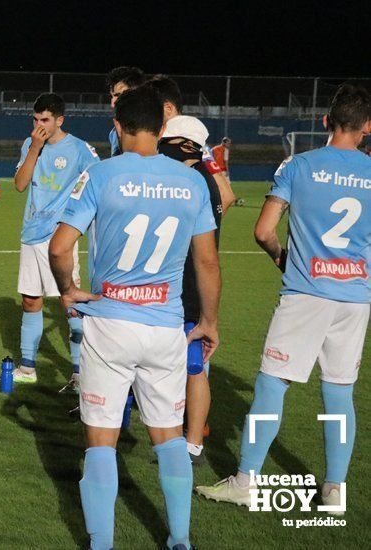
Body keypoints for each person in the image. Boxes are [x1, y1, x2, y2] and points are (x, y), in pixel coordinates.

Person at [48, 85, 221, 549]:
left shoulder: (101, 174)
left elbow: (60, 247)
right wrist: (208, 322)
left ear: (118, 126)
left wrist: (67, 290)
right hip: (165, 326)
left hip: (110, 323)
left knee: (101, 442)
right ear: (163, 128)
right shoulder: (191, 181)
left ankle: (101, 543)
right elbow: (206, 262)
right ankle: (180, 539)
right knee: (168, 438)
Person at [196, 83, 371, 514]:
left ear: (325, 121)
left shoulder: (300, 164)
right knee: (338, 392)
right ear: (367, 128)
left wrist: (281, 258)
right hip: (355, 297)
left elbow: (263, 230)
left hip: (306, 292)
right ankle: (334, 491)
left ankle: (246, 481)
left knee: (272, 383)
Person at [147, 74, 236, 465]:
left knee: (168, 367)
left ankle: (173, 436)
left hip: (169, 287)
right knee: (195, 366)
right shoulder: (207, 180)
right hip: (197, 289)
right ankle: (193, 444)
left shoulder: (176, 179)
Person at [11, 92, 98, 386]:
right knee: (30, 300)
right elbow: (20, 185)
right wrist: (34, 148)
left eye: (45, 120)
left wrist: (75, 217)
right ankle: (27, 367)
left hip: (61, 236)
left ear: (59, 120)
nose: (39, 125)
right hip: (31, 232)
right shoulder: (30, 144)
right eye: (35, 119)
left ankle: (78, 371)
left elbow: (97, 182)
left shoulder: (80, 149)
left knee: (68, 300)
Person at [106, 66, 146, 157]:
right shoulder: (114, 133)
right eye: (112, 97)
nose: (113, 104)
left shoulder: (157, 128)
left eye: (119, 95)